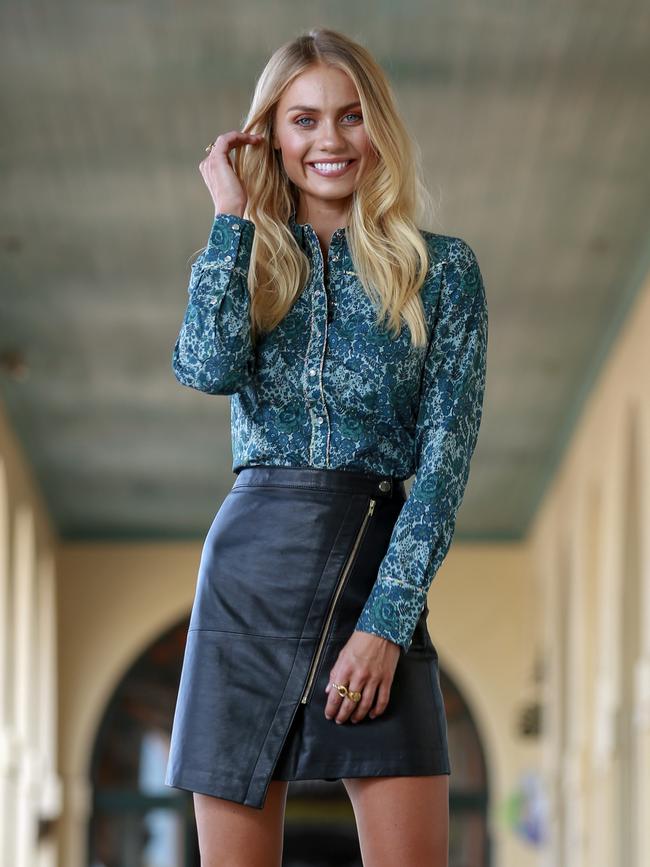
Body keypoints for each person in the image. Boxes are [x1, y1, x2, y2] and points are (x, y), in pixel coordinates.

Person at [164, 26, 488, 867]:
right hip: (247, 582)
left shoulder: (442, 273)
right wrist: (231, 220)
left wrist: (387, 624)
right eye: (304, 120)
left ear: (378, 127)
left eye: (350, 117)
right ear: (271, 134)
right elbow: (203, 366)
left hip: (377, 574)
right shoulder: (250, 261)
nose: (330, 141)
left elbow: (444, 467)